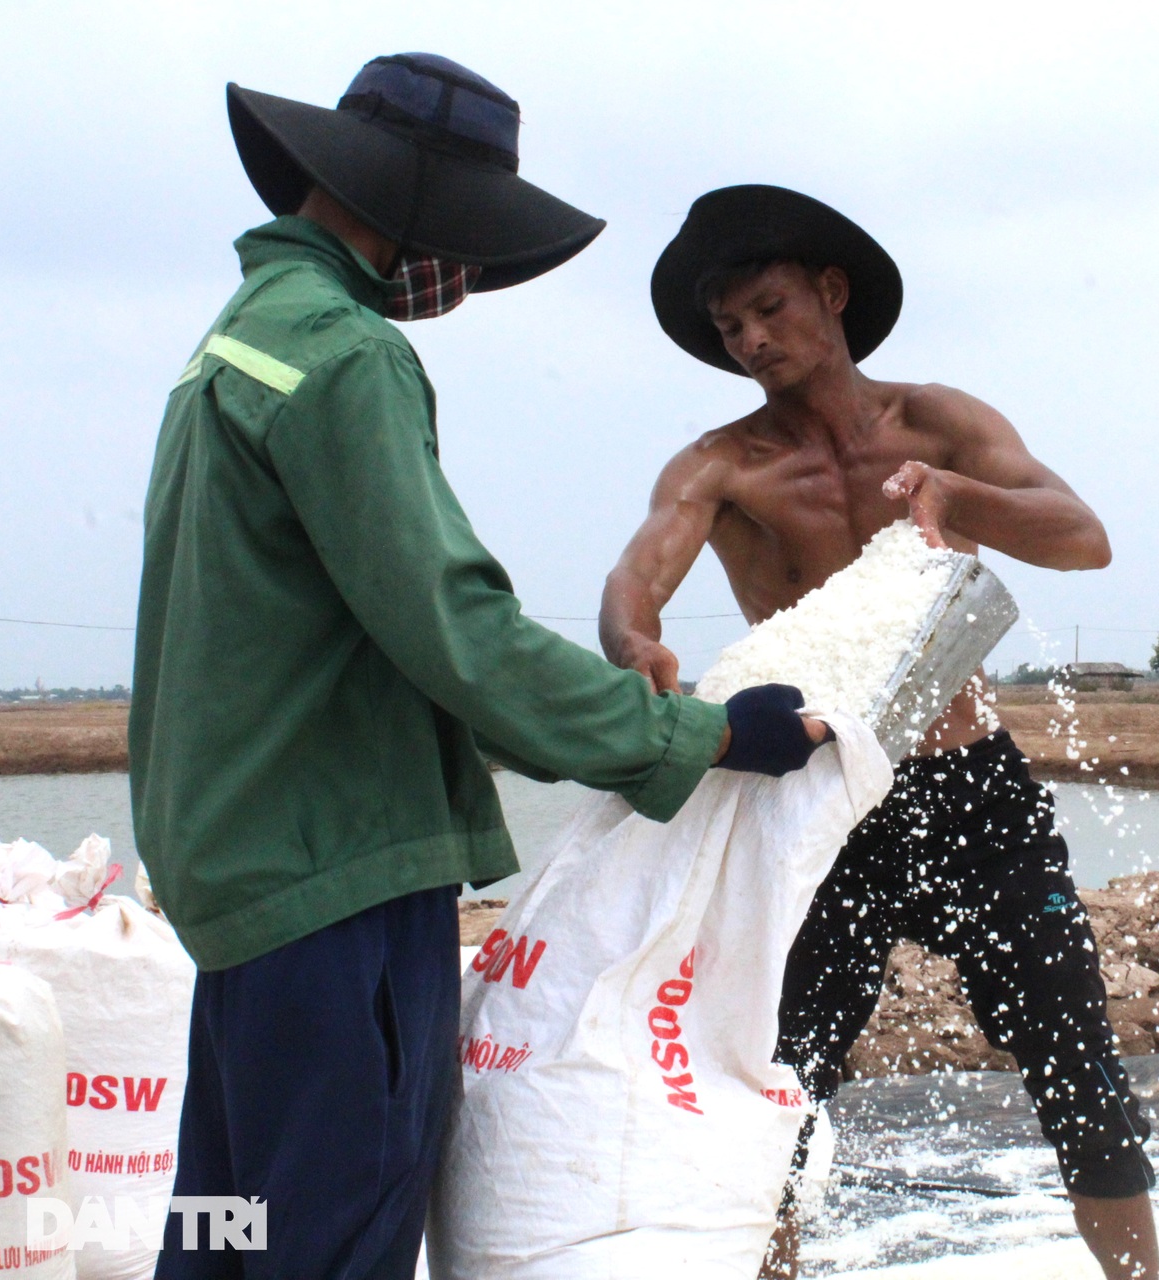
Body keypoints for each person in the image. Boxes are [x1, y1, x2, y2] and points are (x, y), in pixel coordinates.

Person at [133, 60, 825, 1279]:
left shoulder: (233, 349)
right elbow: (456, 632)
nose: (463, 276)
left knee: (224, 1227)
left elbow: (380, 635)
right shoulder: (349, 356)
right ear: (402, 209)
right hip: (337, 880)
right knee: (332, 1240)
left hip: (242, 890)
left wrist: (581, 712)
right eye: (461, 237)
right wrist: (705, 736)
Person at [602, 184, 1159, 1280]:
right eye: (730, 329)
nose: (753, 340)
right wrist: (633, 645)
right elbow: (637, 580)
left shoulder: (940, 422)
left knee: (1077, 1064)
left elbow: (1084, 536)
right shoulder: (725, 464)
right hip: (819, 800)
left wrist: (957, 494)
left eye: (769, 308)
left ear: (832, 291)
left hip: (973, 792)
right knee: (782, 1085)